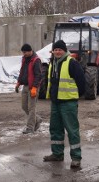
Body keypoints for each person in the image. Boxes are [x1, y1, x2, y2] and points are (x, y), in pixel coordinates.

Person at [43, 39, 86, 169]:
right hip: (55, 102)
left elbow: (81, 81)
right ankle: (57, 154)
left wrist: (77, 96)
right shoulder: (52, 63)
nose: (57, 52)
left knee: (72, 131)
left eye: (60, 49)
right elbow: (48, 81)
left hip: (68, 103)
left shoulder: (71, 63)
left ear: (64, 50)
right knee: (55, 129)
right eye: (55, 50)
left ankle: (76, 158)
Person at [15, 43, 43, 134]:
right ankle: (37, 119)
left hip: (33, 87)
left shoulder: (36, 60)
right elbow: (22, 72)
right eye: (23, 52)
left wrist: (35, 87)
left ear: (30, 51)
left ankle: (30, 128)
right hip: (25, 86)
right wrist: (19, 82)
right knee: (24, 106)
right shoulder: (24, 59)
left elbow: (38, 75)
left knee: (31, 108)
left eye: (25, 52)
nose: (24, 54)